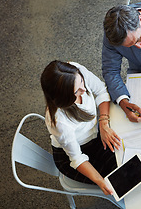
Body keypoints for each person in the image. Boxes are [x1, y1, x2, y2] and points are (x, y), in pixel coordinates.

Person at [41, 60, 121, 195]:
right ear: (63, 99)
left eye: (82, 82)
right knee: (115, 179)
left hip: (96, 133)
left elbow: (101, 90)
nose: (84, 90)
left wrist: (103, 123)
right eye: (76, 91)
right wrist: (100, 181)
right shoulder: (58, 121)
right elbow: (77, 158)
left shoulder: (75, 71)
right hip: (74, 153)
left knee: (123, 163)